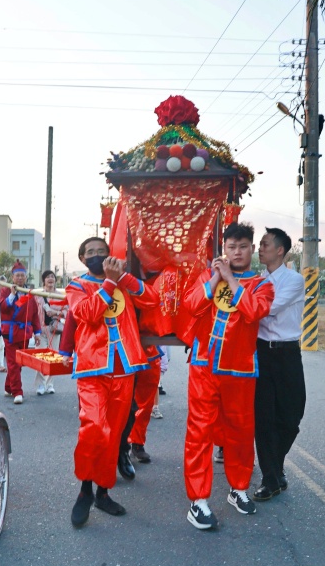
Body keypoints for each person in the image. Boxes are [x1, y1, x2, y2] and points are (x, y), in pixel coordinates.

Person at [181, 222, 274, 530]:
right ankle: (198, 500)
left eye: (243, 246)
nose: (237, 251)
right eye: (231, 246)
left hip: (241, 369)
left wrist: (231, 280)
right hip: (204, 366)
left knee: (241, 432)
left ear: (252, 250)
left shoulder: (262, 284)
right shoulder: (206, 277)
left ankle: (239, 488)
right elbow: (190, 306)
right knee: (199, 432)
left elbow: (253, 312)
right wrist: (215, 280)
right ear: (224, 249)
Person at [66, 236, 158, 528]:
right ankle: (85, 490)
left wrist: (123, 278)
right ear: (82, 259)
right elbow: (87, 314)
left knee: (114, 434)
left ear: (111, 256)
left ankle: (103, 492)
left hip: (125, 367)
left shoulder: (124, 283)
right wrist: (108, 283)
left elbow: (152, 299)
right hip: (93, 368)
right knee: (93, 429)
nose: (96, 256)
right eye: (90, 252)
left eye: (102, 252)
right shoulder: (76, 286)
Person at [252, 227, 306, 501]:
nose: (259, 249)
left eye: (264, 244)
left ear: (280, 250)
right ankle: (270, 478)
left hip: (287, 353)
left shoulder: (294, 280)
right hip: (261, 352)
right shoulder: (254, 280)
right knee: (263, 418)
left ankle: (275, 465)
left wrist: (246, 300)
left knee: (292, 416)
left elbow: (267, 307)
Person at [0, 261, 41, 404]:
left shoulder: (29, 294)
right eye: (17, 275)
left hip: (24, 333)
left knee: (19, 363)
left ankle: (8, 387)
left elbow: (34, 314)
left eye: (22, 275)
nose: (20, 278)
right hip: (9, 332)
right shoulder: (4, 291)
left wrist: (37, 332)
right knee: (12, 363)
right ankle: (18, 392)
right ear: (12, 277)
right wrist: (11, 295)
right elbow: (3, 308)